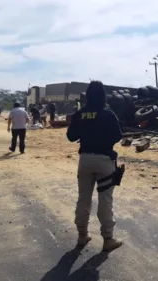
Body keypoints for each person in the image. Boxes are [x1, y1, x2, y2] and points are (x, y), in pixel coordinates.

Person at [66, 80, 123, 251]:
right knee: (105, 200)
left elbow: (70, 137)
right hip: (104, 161)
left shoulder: (80, 114)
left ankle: (82, 236)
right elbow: (118, 136)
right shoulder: (108, 114)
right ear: (103, 95)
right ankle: (108, 239)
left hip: (84, 160)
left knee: (83, 198)